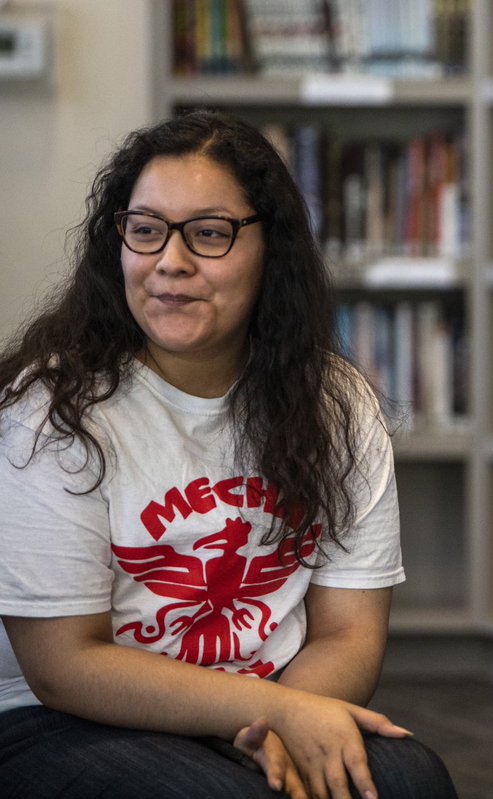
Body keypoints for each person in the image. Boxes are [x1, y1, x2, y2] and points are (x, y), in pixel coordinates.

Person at [0, 110, 458, 799]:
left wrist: (280, 720)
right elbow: (63, 664)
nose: (170, 263)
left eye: (209, 234)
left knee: (411, 780)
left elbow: (347, 633)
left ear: (270, 248)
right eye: (146, 230)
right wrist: (271, 713)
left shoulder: (336, 403)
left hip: (270, 698)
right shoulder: (50, 413)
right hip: (65, 720)